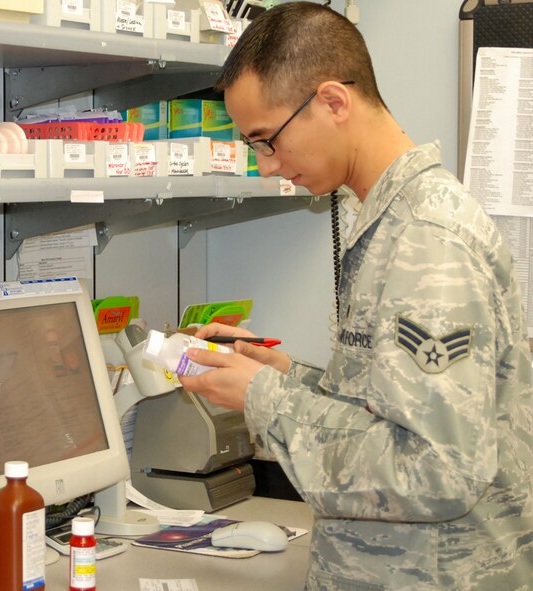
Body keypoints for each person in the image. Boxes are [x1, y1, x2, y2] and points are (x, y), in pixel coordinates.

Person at [178, 2, 533, 589]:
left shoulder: (427, 241)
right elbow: (391, 408)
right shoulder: (391, 220)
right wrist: (284, 373)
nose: (267, 167)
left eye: (267, 141)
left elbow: (438, 472)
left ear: (333, 102)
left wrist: (264, 397)